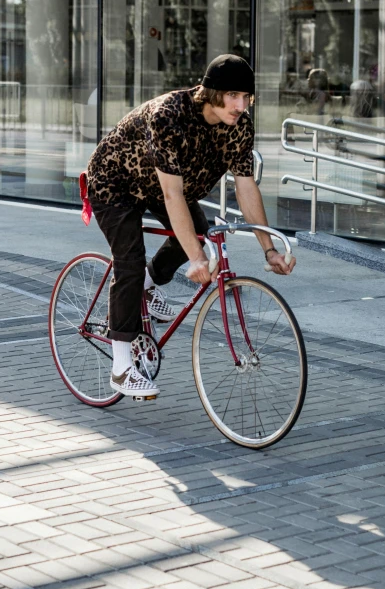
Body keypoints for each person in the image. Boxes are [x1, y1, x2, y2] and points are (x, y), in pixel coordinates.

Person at [86, 54, 296, 399]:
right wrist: (197, 258)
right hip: (115, 183)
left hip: (162, 187)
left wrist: (269, 249)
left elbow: (246, 187)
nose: (241, 106)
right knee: (130, 260)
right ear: (212, 92)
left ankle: (148, 284)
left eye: (247, 98)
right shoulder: (171, 115)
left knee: (199, 236)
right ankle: (122, 367)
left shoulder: (239, 126)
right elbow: (172, 194)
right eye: (233, 96)